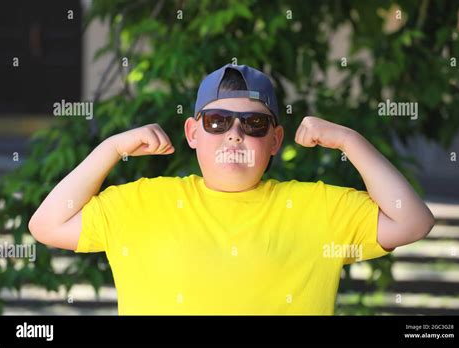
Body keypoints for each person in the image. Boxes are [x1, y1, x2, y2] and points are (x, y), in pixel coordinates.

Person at [29, 64, 435, 315]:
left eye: (253, 124)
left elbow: (413, 221)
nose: (235, 135)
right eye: (218, 122)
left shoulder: (318, 207)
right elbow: (46, 225)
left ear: (275, 140)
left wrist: (349, 140)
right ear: (192, 132)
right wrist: (111, 148)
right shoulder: (141, 201)